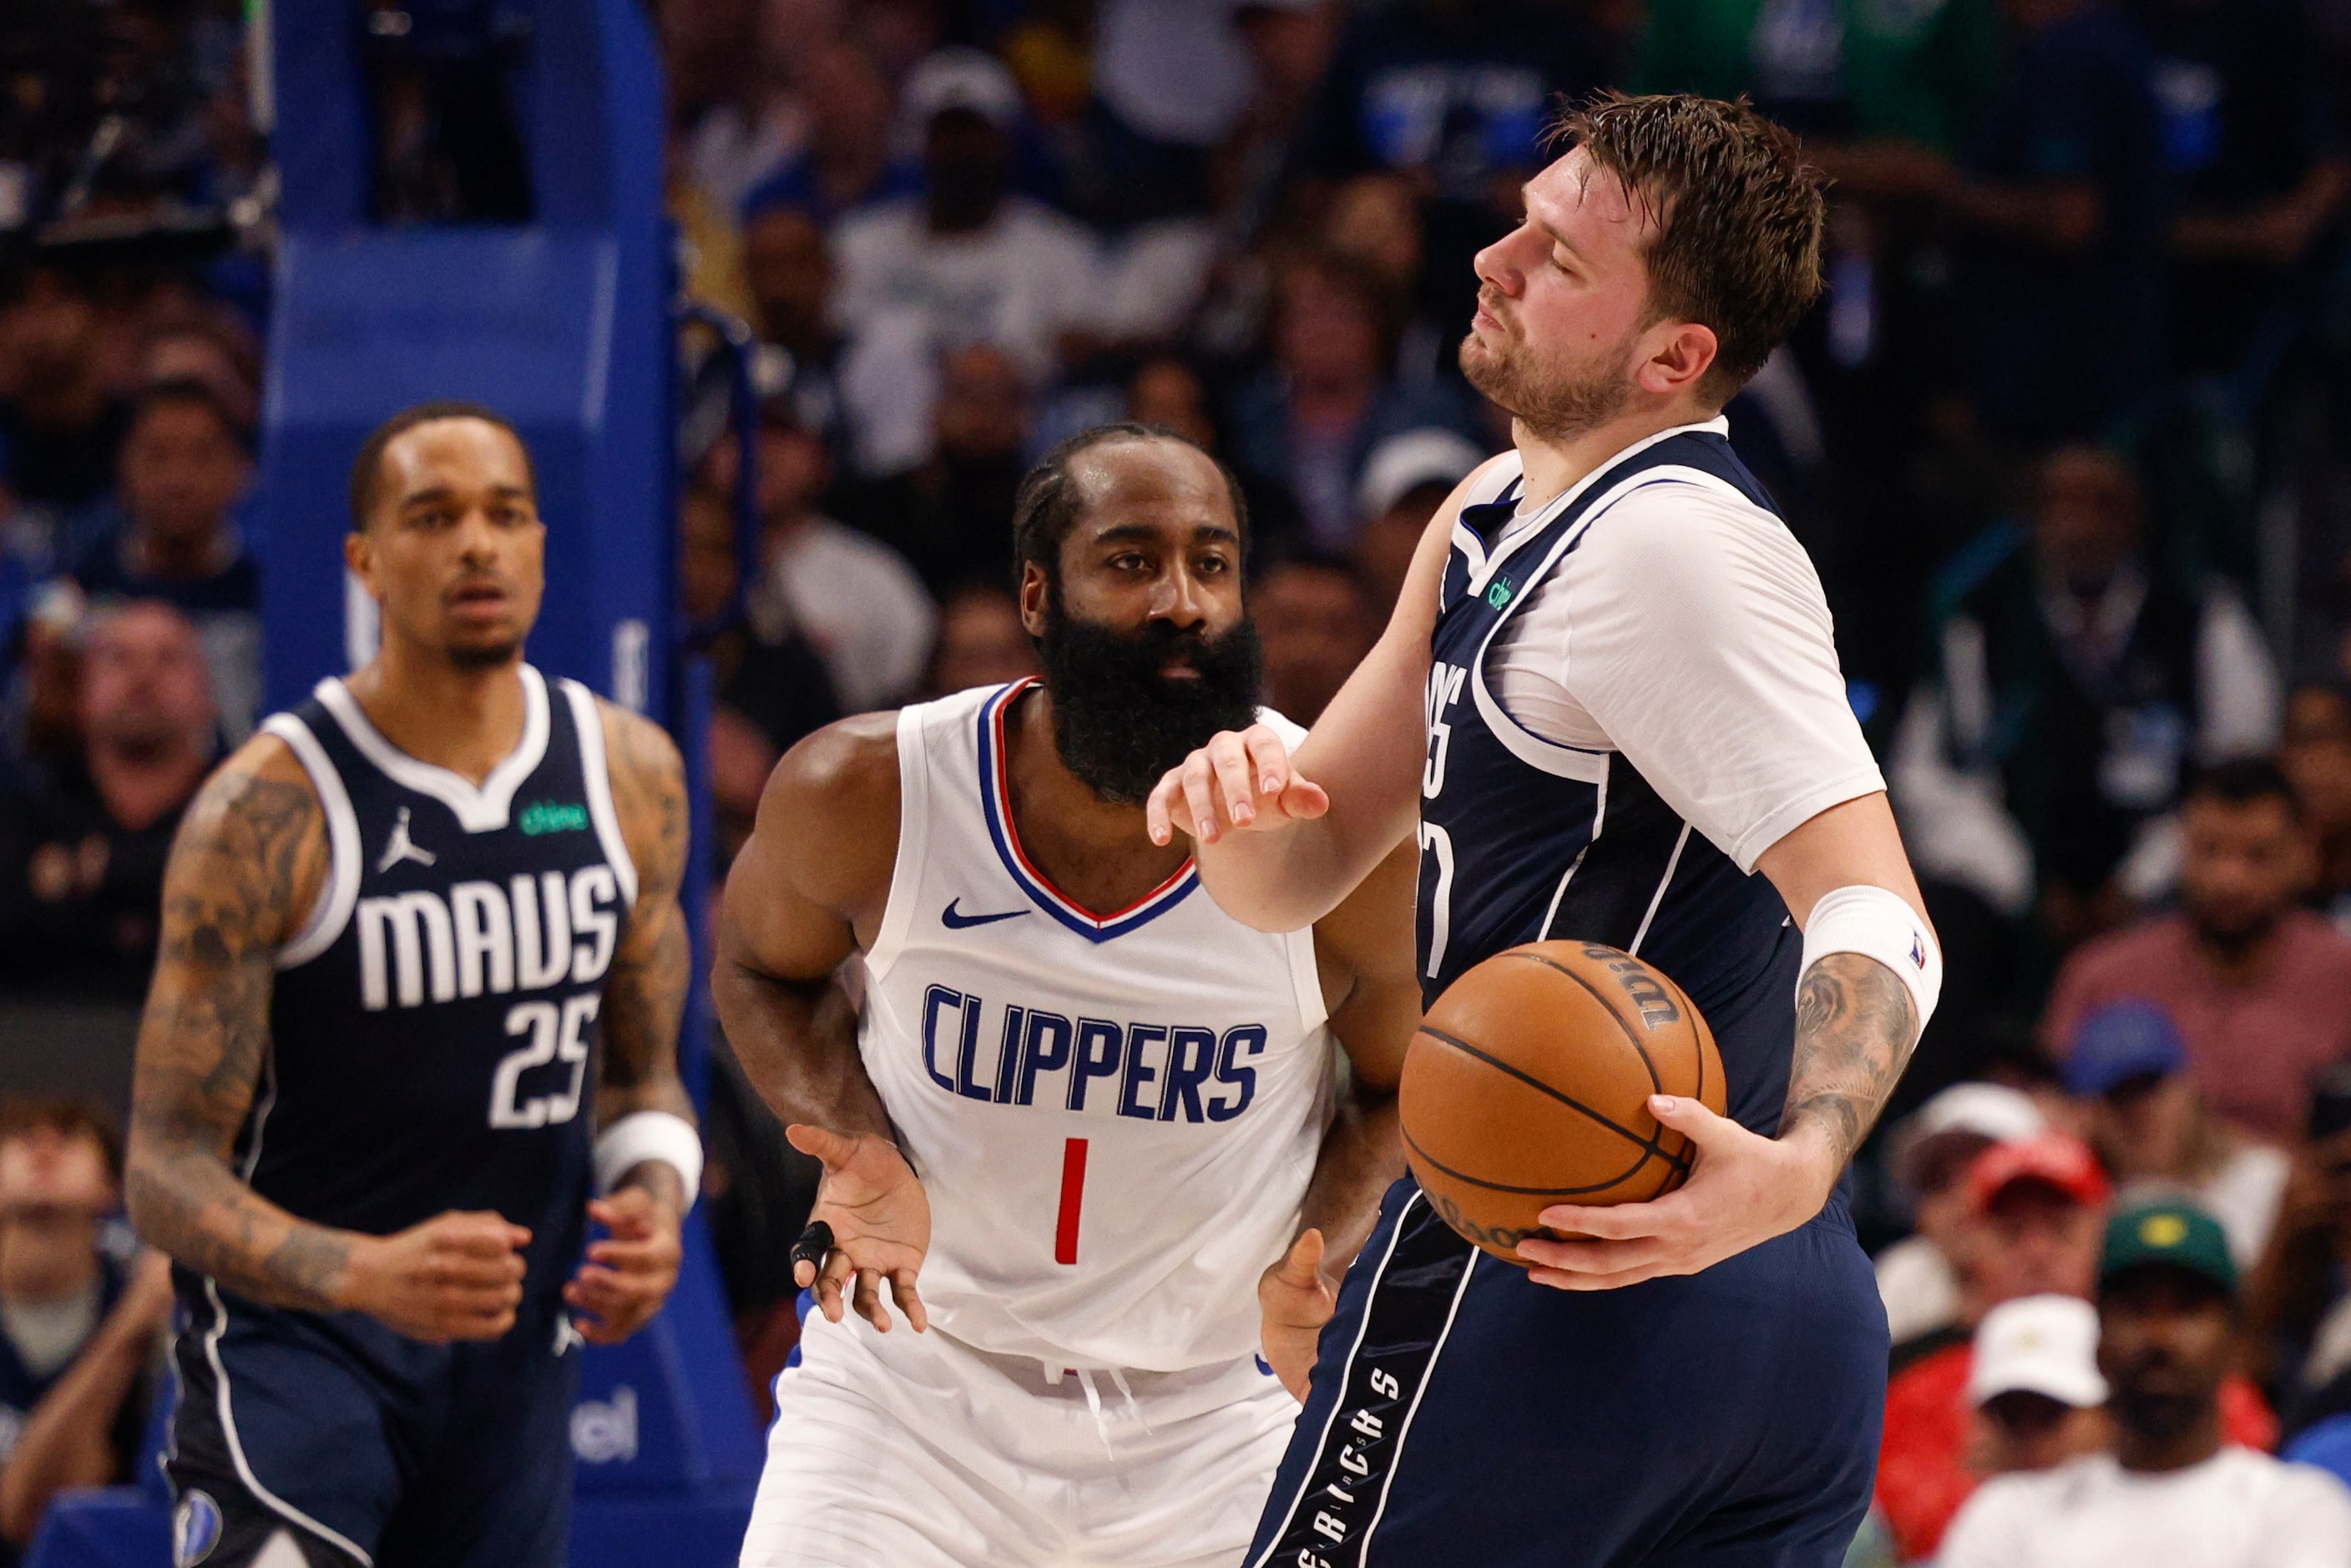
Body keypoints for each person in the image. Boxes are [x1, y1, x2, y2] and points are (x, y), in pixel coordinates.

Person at [1152, 94, 1941, 1565]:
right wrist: (1229, 795)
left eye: (1560, 259)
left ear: (1673, 356)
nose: (1492, 261)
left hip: (1571, 1254)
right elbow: (1306, 860)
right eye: (1520, 218)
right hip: (1778, 1320)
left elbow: (1878, 908)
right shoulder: (1493, 512)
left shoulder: (1672, 545)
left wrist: (1810, 1150)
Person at [716, 423, 1421, 1567]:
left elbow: (1404, 1088)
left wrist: (1319, 1251)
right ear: (1039, 596)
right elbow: (756, 966)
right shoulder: (872, 790)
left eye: (1212, 563)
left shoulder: (1338, 844)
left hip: (1213, 1415)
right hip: (908, 1400)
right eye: (1133, 561)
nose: (1183, 601)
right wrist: (858, 1143)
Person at [123, 402, 700, 1568]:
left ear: (541, 541)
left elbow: (641, 1079)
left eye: (504, 514)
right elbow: (163, 1170)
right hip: (302, 1346)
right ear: (367, 561)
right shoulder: (268, 811)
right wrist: (364, 1272)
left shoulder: (629, 775)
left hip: (513, 1363)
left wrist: (655, 1204)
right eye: (433, 518)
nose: (477, 545)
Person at [1893, 445, 2279, 940]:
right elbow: (1927, 777)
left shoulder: (2203, 618)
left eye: (2099, 504)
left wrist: (2140, 881)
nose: (2076, 527)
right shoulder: (1982, 626)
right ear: (2028, 520)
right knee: (1939, 924)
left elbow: (2242, 767)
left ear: (2134, 516)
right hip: (2015, 886)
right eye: (2055, 506)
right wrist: (2022, 882)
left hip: (2171, 884)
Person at [1939, 1200, 2351, 1566]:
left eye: (2188, 1310)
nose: (2160, 1337)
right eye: (2136, 1310)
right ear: (2096, 1341)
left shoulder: (2297, 1509)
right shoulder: (2010, 1516)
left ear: (2235, 1341)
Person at [2043, 759, 2351, 1145]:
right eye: (2210, 851)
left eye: (2258, 855)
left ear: (2303, 857)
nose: (2229, 880)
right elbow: (2050, 1113)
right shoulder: (2100, 975)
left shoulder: (2342, 974)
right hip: (2136, 1194)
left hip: (2305, 1195)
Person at [1876, 1134, 2112, 1560]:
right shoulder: (1911, 1382)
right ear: (1973, 1244)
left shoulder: (2155, 1369)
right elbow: (1903, 1529)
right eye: (2013, 1233)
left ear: (2101, 1235)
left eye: (2060, 1229)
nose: (2037, 1253)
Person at [0, 600, 218, 1000]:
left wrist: (81, 875)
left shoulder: (240, 815)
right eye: (118, 659)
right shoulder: (26, 816)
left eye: (168, 660)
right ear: (82, 692)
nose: (143, 677)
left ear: (209, 697)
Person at [0, 1100, 173, 1557]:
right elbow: (14, 1514)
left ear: (112, 1189)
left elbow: (58, 1513)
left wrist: (139, 1320)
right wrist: (127, 1330)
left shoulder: (150, 1303)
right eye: (21, 1136)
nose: (45, 1148)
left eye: (70, 1137)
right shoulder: (138, 1311)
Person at [68, 379, 262, 742]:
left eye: (202, 455)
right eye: (158, 456)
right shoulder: (83, 587)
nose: (178, 480)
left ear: (239, 471)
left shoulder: (266, 596)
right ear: (124, 467)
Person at [2062, 1000, 2290, 1268]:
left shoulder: (2271, 1179)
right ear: (2090, 1116)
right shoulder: (2087, 1216)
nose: (2140, 1111)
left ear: (2189, 1086)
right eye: (2119, 1097)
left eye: (2150, 1086)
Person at [1874, 1081, 2050, 1348]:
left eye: (1988, 1173)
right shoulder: (1903, 1278)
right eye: (1940, 1183)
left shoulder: (2072, 1266)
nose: (1962, 1201)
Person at [1961, 1293, 2111, 1480]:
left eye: (2049, 1412)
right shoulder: (1983, 1508)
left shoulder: (2153, 1502)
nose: (2031, 1437)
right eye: (2010, 1415)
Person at [1252, 556, 1378, 726]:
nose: (1311, 647)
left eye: (1335, 630)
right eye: (1290, 625)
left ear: (1371, 641)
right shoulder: (1217, 736)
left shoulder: (1406, 741)